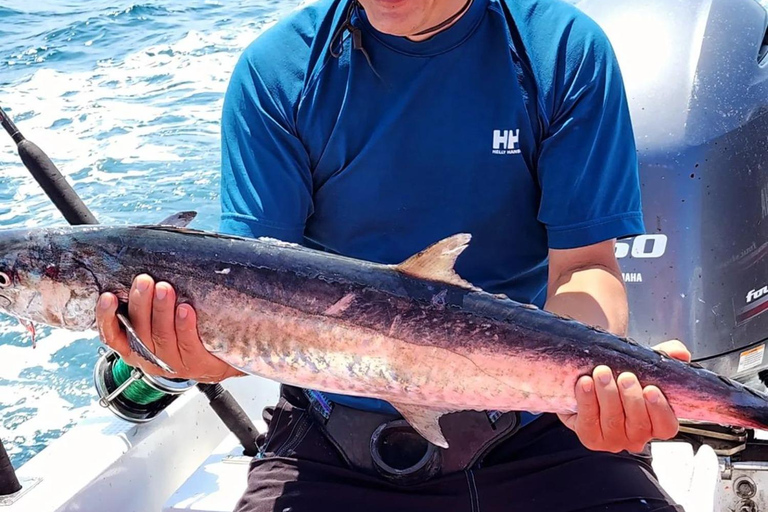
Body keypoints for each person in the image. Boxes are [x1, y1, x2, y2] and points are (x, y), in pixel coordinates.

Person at [95, 0, 692, 510]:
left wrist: (590, 388)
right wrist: (183, 357)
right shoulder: (278, 75)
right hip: (333, 447)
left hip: (539, 436)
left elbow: (586, 267)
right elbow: (248, 311)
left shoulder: (558, 50)